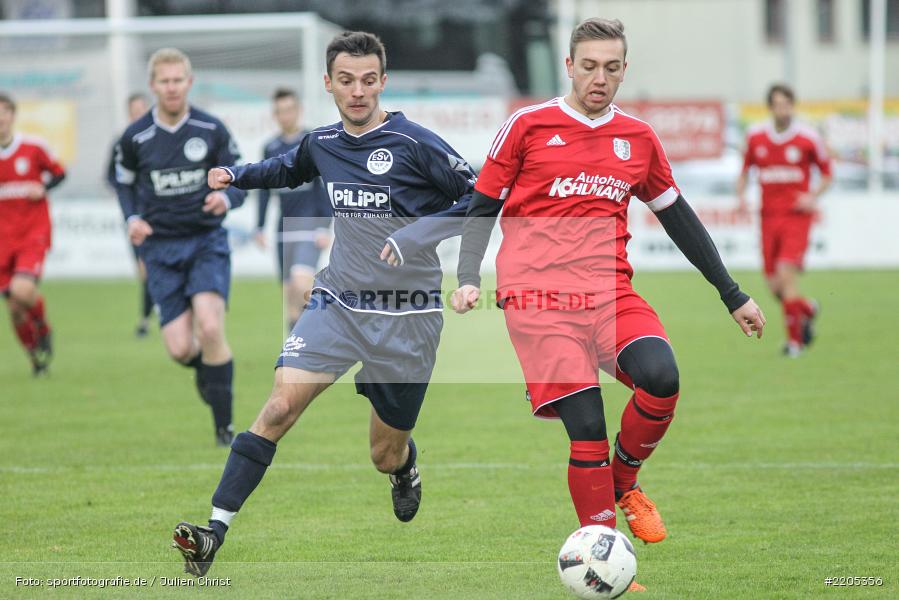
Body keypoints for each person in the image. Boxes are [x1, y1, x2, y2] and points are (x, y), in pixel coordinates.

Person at [451, 18, 765, 591]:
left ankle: (625, 483)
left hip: (610, 294)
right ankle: (606, 559)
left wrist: (732, 293)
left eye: (611, 67)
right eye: (589, 66)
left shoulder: (638, 138)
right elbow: (483, 203)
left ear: (624, 70)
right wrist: (469, 274)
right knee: (588, 425)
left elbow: (678, 218)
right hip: (538, 301)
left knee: (661, 377)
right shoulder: (527, 125)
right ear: (569, 66)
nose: (600, 78)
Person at [171, 31, 474, 578]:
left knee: (384, 452)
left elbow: (477, 197)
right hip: (337, 300)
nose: (357, 91)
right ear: (328, 83)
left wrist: (417, 235)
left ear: (383, 82)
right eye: (345, 80)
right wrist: (236, 174)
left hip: (407, 317)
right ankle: (214, 530)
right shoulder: (324, 141)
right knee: (279, 408)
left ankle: (404, 469)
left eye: (367, 80)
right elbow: (288, 169)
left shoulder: (416, 144)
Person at [113, 48, 246, 446]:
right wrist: (132, 218)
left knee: (209, 326)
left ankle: (224, 427)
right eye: (164, 81)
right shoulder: (135, 136)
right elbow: (122, 182)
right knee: (178, 348)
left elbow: (238, 176)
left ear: (189, 83)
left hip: (206, 240)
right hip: (160, 248)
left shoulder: (211, 129)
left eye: (178, 80)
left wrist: (225, 199)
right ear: (153, 86)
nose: (171, 88)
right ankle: (211, 375)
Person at [736, 84, 831, 357]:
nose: (782, 109)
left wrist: (812, 196)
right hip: (768, 218)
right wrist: (741, 197)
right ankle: (807, 309)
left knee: (786, 274)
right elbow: (744, 171)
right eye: (777, 104)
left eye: (787, 104)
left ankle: (795, 343)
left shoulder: (807, 137)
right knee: (774, 285)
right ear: (771, 107)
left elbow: (827, 172)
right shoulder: (756, 137)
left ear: (793, 105)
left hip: (796, 218)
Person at [255, 88, 332, 332]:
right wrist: (259, 226)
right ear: (274, 115)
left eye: (289, 110)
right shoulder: (270, 147)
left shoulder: (311, 142)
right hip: (283, 228)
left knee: (302, 285)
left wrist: (324, 226)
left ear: (298, 110)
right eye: (280, 111)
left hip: (309, 225)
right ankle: (294, 353)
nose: (285, 116)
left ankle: (328, 327)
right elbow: (264, 189)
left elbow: (325, 186)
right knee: (290, 298)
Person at [0, 92, 66, 376]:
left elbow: (60, 173)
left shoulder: (33, 147)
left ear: (13, 115)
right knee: (15, 309)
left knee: (21, 291)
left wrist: (44, 188)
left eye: (4, 112)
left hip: (32, 233)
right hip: (2, 240)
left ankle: (43, 326)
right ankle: (36, 360)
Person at [107, 92, 154, 337]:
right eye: (133, 110)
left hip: (159, 213)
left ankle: (150, 317)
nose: (138, 114)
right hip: (137, 216)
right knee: (145, 270)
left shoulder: (156, 137)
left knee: (153, 268)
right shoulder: (123, 141)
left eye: (141, 110)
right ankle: (148, 316)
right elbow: (112, 176)